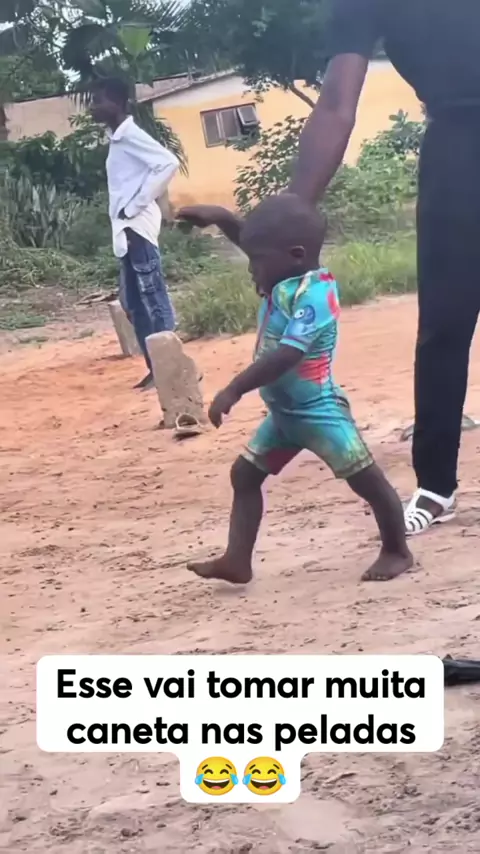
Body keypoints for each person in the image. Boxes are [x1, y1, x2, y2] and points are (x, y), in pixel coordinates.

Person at [284, 0, 480, 535]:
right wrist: (294, 208)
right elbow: (336, 104)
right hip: (456, 151)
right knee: (444, 323)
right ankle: (436, 485)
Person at [177, 195, 413, 583]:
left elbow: (287, 354)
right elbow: (264, 248)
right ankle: (237, 560)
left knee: (367, 480)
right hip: (285, 416)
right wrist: (221, 217)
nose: (251, 269)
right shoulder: (283, 277)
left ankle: (397, 550)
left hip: (318, 412)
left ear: (296, 255)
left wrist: (235, 389)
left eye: (256, 262)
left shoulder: (316, 294)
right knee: (244, 476)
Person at [90, 77, 179, 390]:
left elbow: (168, 163)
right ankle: (156, 368)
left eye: (99, 101)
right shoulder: (117, 139)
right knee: (133, 303)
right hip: (127, 231)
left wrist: (136, 205)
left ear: (118, 103)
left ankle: (171, 368)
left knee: (152, 297)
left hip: (137, 228)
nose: (93, 107)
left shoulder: (130, 135)